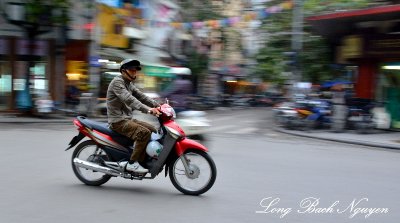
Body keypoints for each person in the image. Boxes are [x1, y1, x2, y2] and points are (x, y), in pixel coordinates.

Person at [106, 59, 161, 174]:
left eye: (135, 70)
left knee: (153, 129)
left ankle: (142, 160)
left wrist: (158, 105)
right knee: (143, 132)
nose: (134, 72)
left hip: (127, 119)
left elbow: (142, 96)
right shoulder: (118, 83)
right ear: (123, 71)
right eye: (132, 70)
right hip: (118, 121)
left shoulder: (129, 84)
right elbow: (129, 99)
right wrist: (149, 110)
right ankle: (132, 163)